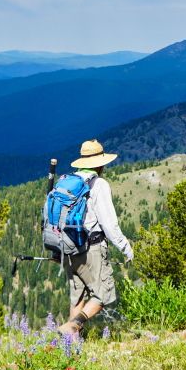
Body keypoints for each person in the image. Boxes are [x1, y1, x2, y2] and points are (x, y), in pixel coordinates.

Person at [57, 139, 133, 336]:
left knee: (78, 296)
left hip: (68, 247)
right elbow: (109, 223)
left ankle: (71, 346)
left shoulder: (67, 182)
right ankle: (73, 326)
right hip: (92, 248)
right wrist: (125, 247)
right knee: (103, 296)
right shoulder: (98, 184)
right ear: (100, 163)